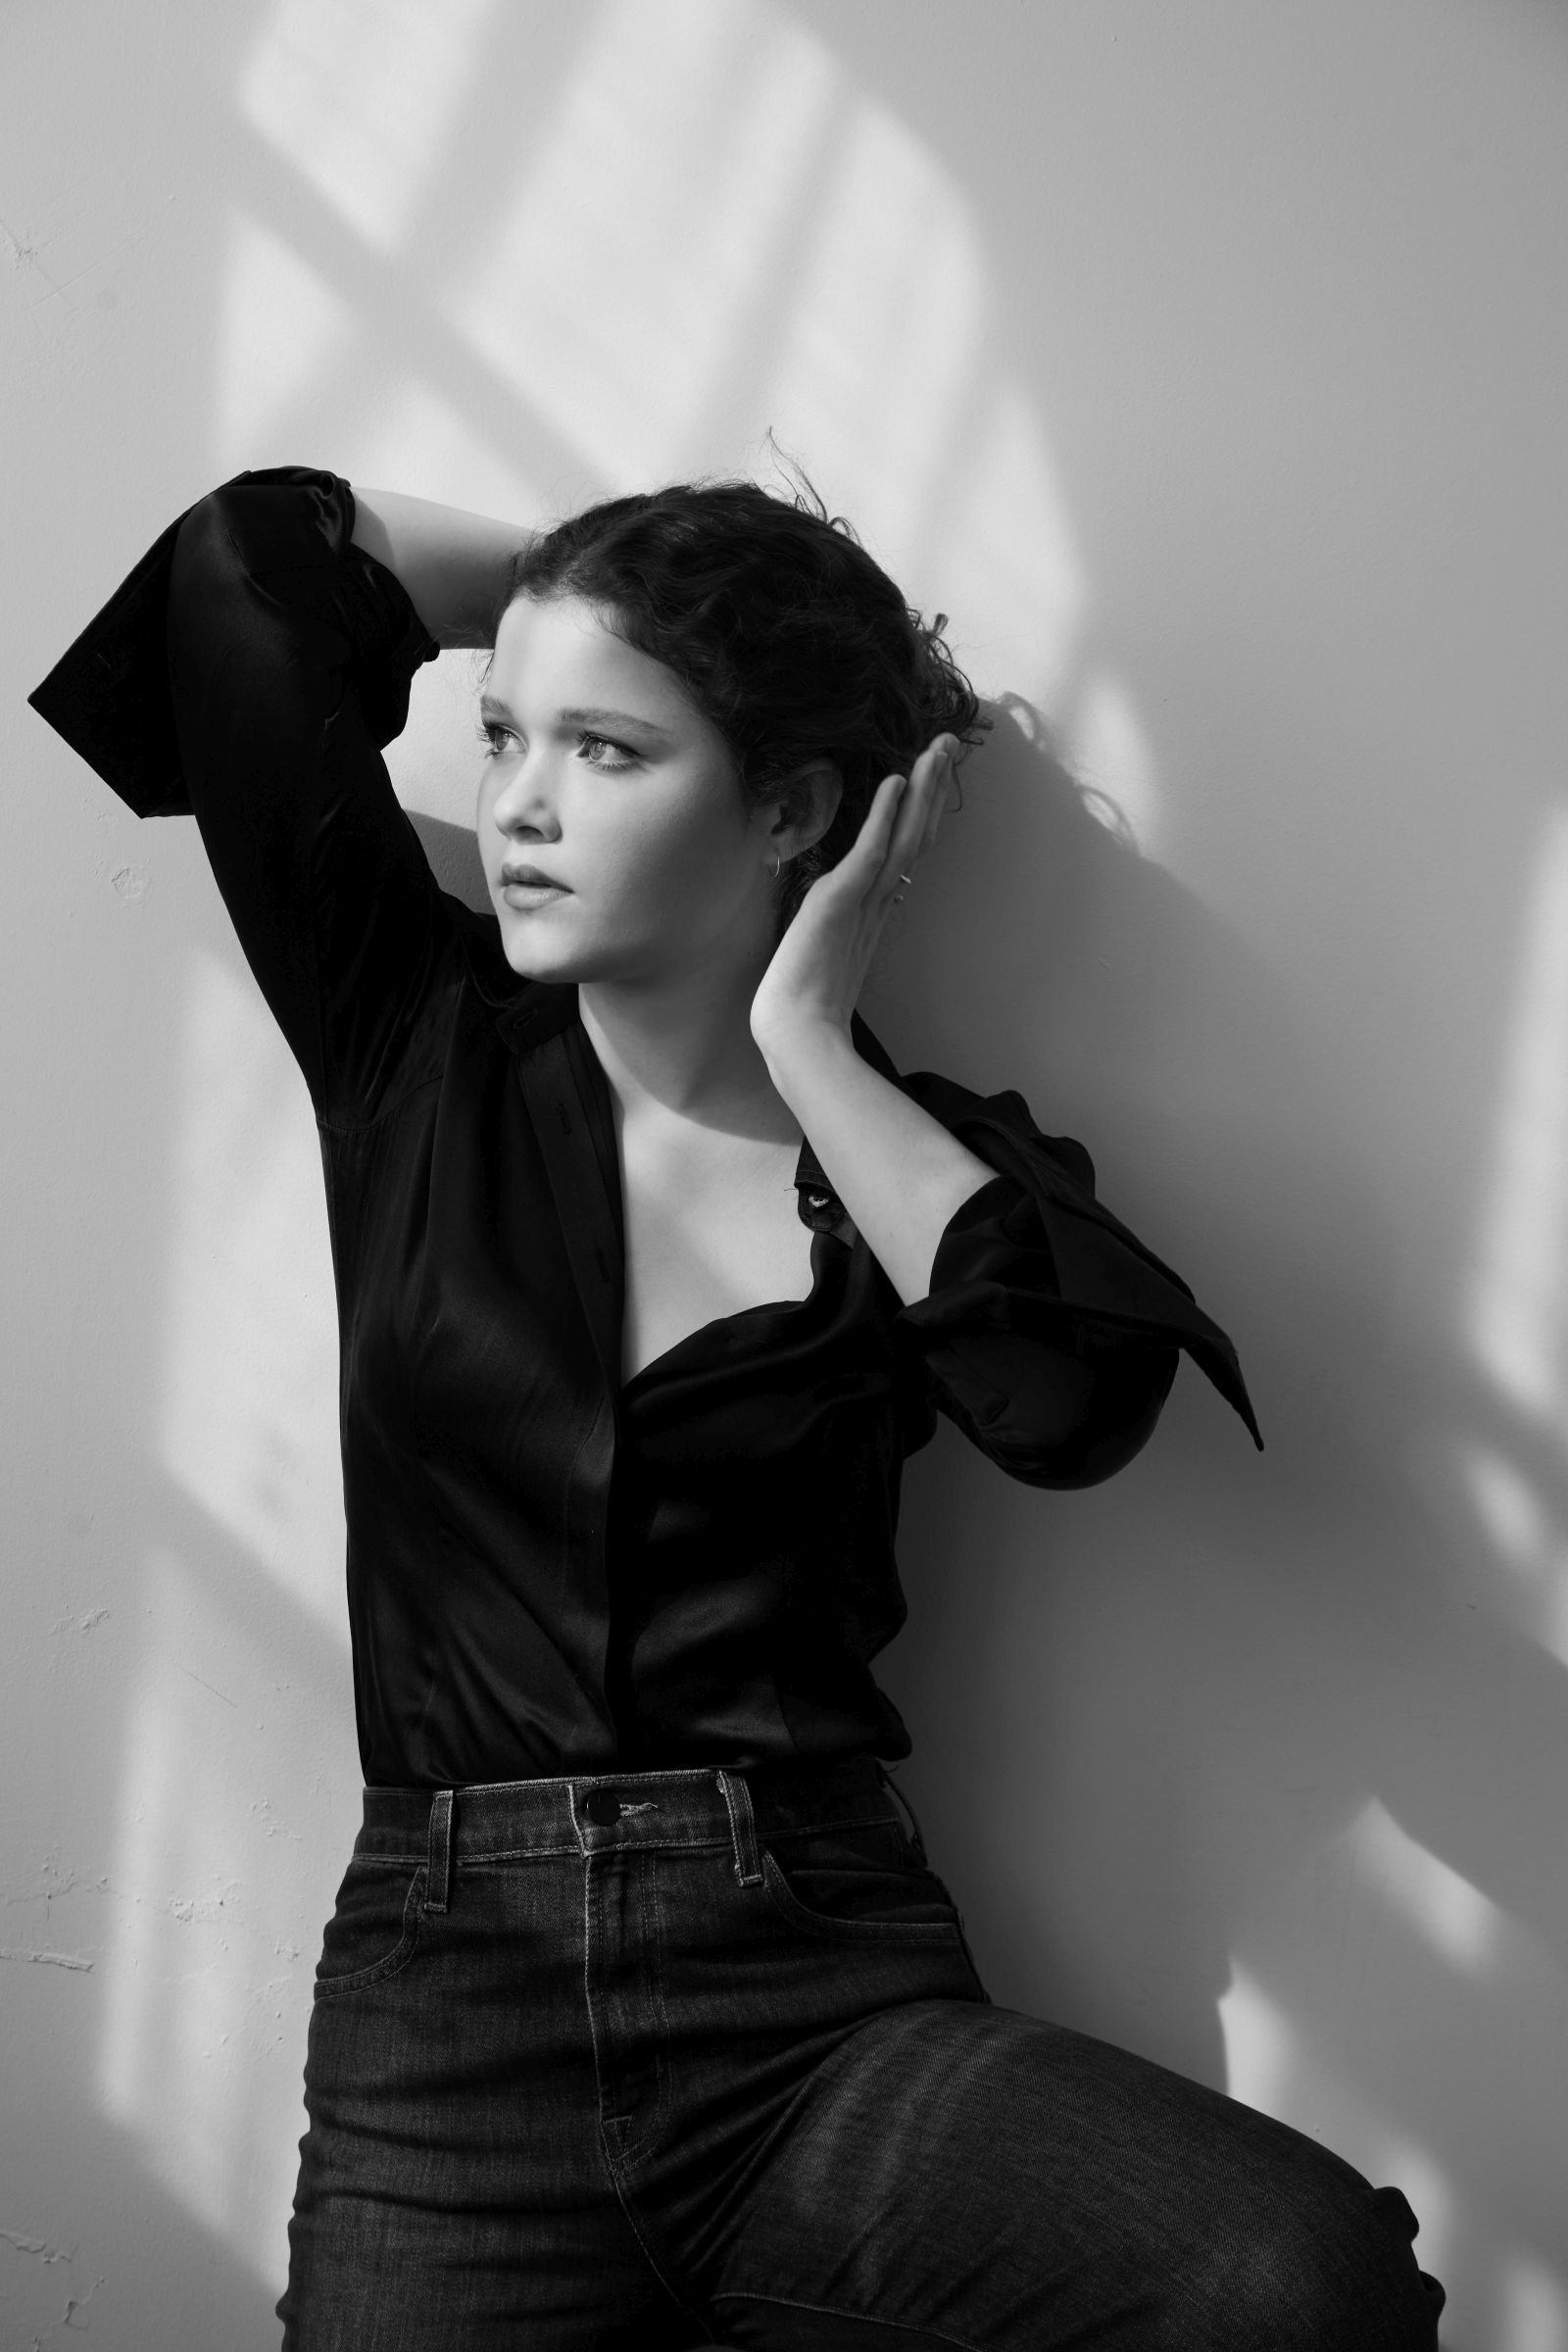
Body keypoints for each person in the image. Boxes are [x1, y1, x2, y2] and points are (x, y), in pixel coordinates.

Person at [30, 465, 1445, 2349]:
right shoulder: (408, 1043)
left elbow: (1062, 1402)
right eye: (505, 734)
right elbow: (241, 570)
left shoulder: (929, 1173)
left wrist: (802, 1038)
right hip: (451, 2042)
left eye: (609, 751)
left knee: (1291, 2280)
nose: (519, 805)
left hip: (818, 2010)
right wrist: (594, 586)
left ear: (791, 809)